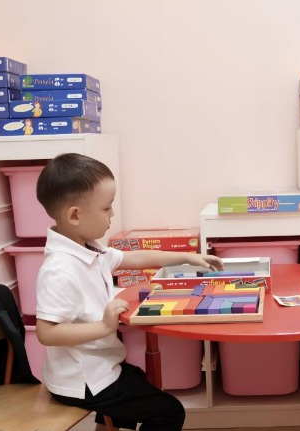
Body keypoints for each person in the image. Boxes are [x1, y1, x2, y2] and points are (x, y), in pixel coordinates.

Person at [35, 153, 223, 431]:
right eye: (106, 208)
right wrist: (104, 326)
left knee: (135, 377)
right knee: (169, 412)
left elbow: (135, 258)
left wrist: (187, 257)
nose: (112, 214)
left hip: (98, 367)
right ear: (74, 215)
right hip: (82, 380)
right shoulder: (60, 269)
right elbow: (47, 333)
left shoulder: (89, 248)